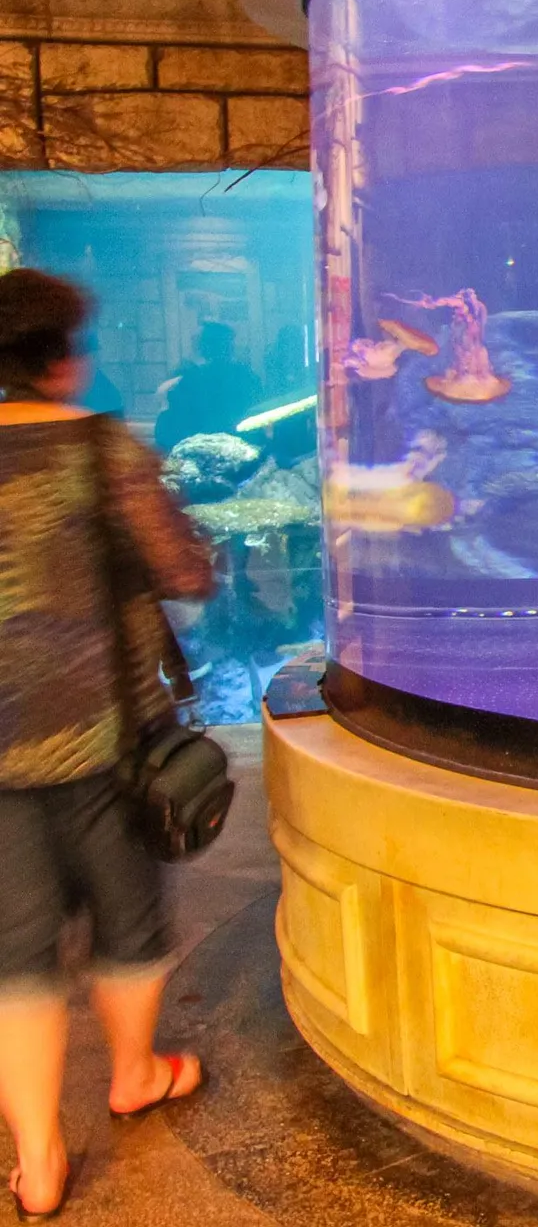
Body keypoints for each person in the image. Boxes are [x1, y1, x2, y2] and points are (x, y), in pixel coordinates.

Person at [0, 269, 214, 1220]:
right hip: (102, 740)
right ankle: (133, 1073)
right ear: (56, 360)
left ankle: (38, 1161)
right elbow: (185, 570)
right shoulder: (102, 449)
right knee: (128, 925)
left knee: (16, 956)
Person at [152, 321, 263, 453]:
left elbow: (166, 432)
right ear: (230, 346)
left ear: (204, 347)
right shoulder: (248, 377)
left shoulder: (189, 380)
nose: (194, 345)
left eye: (196, 342)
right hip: (243, 449)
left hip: (203, 453)